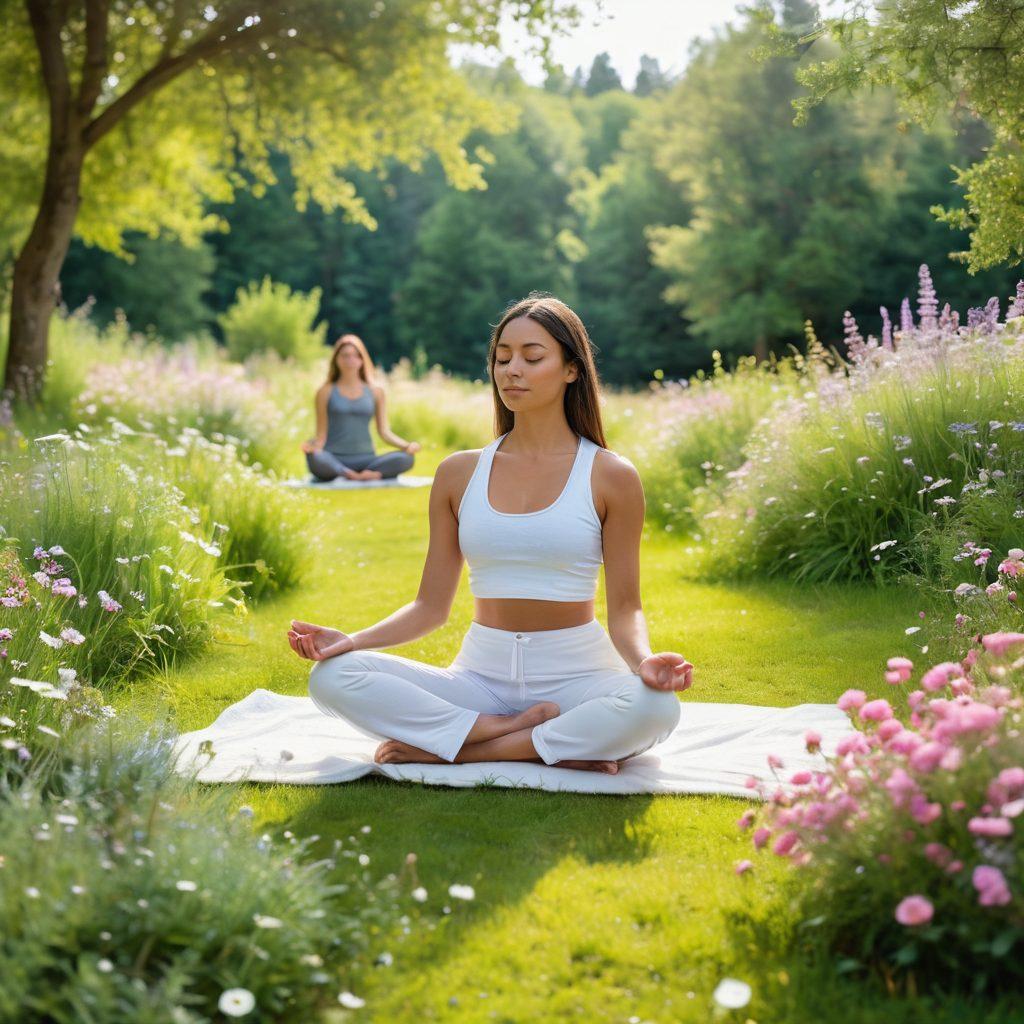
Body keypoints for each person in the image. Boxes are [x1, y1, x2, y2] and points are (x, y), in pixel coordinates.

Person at [287, 295, 692, 775]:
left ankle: (470, 746)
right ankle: (525, 735)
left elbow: (626, 609)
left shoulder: (610, 476)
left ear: (571, 370)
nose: (511, 370)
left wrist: (644, 662)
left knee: (656, 709)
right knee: (332, 676)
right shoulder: (459, 473)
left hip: (578, 676)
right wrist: (351, 641)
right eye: (502, 358)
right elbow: (430, 608)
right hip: (481, 680)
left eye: (532, 357)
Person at [301, 333, 422, 482]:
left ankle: (368, 474)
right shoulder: (325, 391)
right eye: (345, 356)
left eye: (355, 355)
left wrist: (407, 446)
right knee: (315, 458)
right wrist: (311, 447)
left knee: (406, 459)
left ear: (362, 359)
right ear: (336, 360)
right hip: (335, 459)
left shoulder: (376, 392)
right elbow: (320, 435)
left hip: (367, 460)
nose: (350, 360)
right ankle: (348, 473)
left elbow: (384, 431)